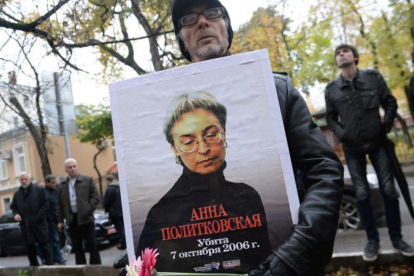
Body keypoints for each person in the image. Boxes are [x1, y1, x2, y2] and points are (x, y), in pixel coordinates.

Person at [136, 1, 344, 275]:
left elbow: (325, 171)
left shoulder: (276, 90)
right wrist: (141, 260)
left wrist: (302, 249)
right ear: (182, 42)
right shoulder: (159, 215)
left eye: (212, 13)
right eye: (188, 19)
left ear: (227, 28)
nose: (202, 22)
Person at [137, 91, 271, 273]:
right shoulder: (161, 214)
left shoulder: (248, 197)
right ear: (174, 148)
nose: (203, 149)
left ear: (224, 132)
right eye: (188, 142)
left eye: (211, 134)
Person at [325, 44, 414, 261]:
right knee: (362, 193)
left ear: (354, 57)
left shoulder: (373, 78)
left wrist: (386, 124)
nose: (341, 54)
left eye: (345, 51)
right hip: (353, 148)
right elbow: (330, 118)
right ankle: (372, 241)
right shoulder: (332, 89)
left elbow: (390, 103)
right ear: (337, 61)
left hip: (378, 144)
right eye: (338, 53)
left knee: (389, 189)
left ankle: (397, 238)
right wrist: (342, 135)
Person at [56, 158, 102, 265]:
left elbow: (95, 197)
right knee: (77, 245)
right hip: (72, 218)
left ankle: (96, 266)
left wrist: (87, 209)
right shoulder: (62, 185)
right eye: (70, 167)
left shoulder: (87, 180)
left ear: (77, 167)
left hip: (86, 217)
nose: (72, 169)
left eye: (74, 166)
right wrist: (60, 220)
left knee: (92, 243)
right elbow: (59, 204)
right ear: (66, 170)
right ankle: (81, 267)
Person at [10, 172, 53, 266]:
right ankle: (34, 266)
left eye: (25, 179)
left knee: (44, 245)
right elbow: (14, 207)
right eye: (21, 179)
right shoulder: (17, 194)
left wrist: (37, 217)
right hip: (25, 225)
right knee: (29, 247)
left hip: (39, 224)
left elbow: (45, 205)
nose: (23, 181)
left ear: (29, 179)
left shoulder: (39, 190)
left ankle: (50, 266)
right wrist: (16, 214)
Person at [44, 175, 67, 264]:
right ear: (47, 183)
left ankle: (55, 257)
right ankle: (58, 258)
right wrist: (53, 219)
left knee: (59, 239)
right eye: (53, 183)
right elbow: (47, 208)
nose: (55, 184)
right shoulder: (45, 193)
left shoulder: (55, 191)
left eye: (55, 182)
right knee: (54, 240)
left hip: (58, 220)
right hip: (51, 221)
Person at [104, 174, 126, 250]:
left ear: (108, 180)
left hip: (115, 213)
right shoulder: (121, 187)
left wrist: (106, 210)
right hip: (123, 211)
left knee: (120, 230)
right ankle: (125, 243)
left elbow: (106, 202)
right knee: (124, 228)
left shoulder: (110, 189)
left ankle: (124, 244)